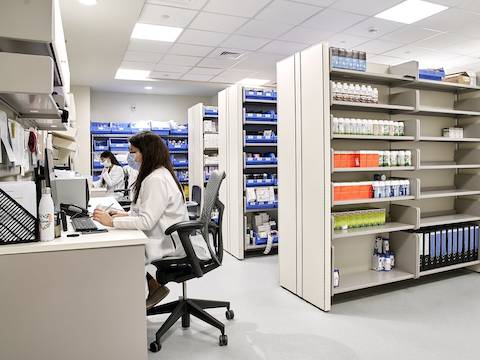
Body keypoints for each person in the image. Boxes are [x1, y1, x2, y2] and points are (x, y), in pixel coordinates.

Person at [93, 131, 209, 309]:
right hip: (167, 236)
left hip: (167, 242)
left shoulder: (156, 179)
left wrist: (111, 222)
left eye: (134, 152)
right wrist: (122, 214)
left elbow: (146, 221)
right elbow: (149, 212)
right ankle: (153, 287)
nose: (132, 157)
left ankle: (131, 305)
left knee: (122, 252)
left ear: (147, 153)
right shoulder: (156, 174)